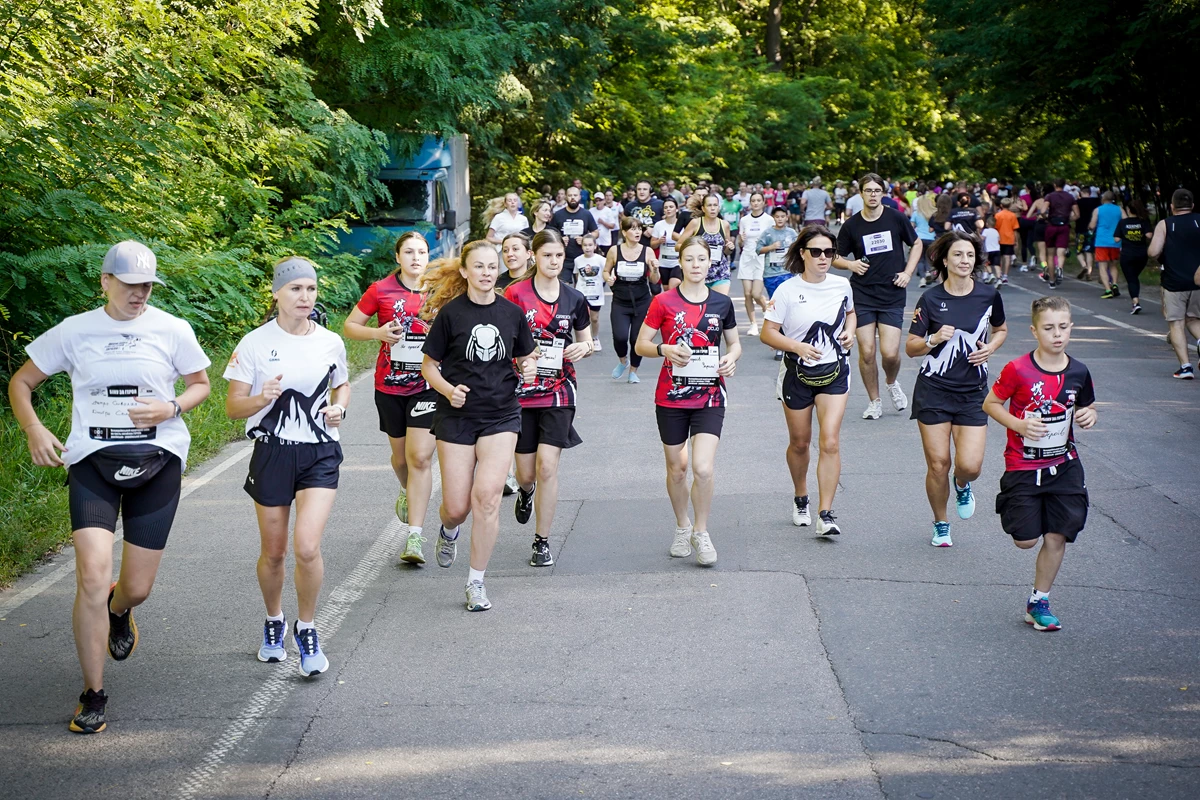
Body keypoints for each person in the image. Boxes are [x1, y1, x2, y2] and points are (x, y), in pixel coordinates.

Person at [9, 241, 211, 734]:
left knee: (135, 588)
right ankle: (93, 694)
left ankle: (120, 611)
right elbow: (21, 382)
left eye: (148, 286)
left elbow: (200, 384)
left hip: (157, 461)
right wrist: (34, 428)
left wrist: (172, 407)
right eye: (130, 284)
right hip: (92, 463)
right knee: (92, 578)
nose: (140, 294)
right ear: (105, 281)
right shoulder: (75, 330)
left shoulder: (172, 329)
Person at [225, 256, 351, 676]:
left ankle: (307, 628)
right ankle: (274, 620)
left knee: (307, 547)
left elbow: (341, 385)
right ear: (276, 292)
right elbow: (232, 407)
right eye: (295, 288)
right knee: (275, 553)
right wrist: (260, 399)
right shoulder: (254, 343)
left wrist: (339, 408)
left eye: (311, 289)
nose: (304, 296)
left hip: (319, 452)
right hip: (272, 453)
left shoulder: (330, 341)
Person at [418, 241, 539, 611]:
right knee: (457, 507)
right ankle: (448, 529)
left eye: (491, 266)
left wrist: (529, 368)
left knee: (486, 498)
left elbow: (527, 356)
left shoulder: (512, 313)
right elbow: (428, 367)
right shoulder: (451, 314)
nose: (487, 272)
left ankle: (476, 583)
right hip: (456, 416)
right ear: (465, 271)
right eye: (479, 266)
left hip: (501, 415)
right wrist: (448, 390)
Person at [983, 296, 1097, 631]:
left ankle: (1039, 602)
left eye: (1063, 327)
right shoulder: (1018, 369)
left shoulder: (1078, 371)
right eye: (1049, 328)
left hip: (1065, 465)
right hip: (1023, 465)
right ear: (1035, 331)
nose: (1057, 334)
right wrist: (1018, 425)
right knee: (1026, 540)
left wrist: (1090, 414)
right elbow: (991, 404)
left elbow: (1086, 405)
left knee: (1058, 535)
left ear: (1071, 327)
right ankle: (1026, 515)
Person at [634, 235, 741, 566]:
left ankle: (701, 530)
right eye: (690, 259)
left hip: (710, 395)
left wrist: (731, 358)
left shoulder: (722, 303)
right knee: (678, 468)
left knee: (703, 468)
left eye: (702, 259)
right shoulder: (663, 301)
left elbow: (734, 343)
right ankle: (682, 525)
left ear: (711, 263)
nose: (696, 265)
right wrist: (663, 348)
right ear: (680, 262)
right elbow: (640, 344)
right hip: (671, 397)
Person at [905, 231, 1007, 547]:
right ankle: (941, 523)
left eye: (970, 255)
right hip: (933, 390)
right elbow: (911, 347)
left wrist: (991, 348)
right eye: (958, 255)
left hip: (973, 392)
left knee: (970, 466)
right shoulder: (930, 299)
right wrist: (933, 339)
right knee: (938, 464)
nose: (965, 260)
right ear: (945, 261)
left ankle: (962, 483)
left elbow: (1001, 330)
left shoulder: (988, 295)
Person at [343, 232, 437, 565]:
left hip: (428, 384)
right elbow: (350, 326)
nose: (416, 258)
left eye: (421, 252)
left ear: (428, 256)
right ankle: (407, 489)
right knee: (401, 459)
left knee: (420, 458)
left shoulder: (440, 290)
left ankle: (415, 536)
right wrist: (377, 333)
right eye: (409, 252)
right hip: (390, 385)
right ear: (398, 257)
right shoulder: (380, 290)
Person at [505, 229, 594, 566]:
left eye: (558, 256)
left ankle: (541, 541)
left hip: (559, 390)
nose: (553, 261)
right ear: (534, 256)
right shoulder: (515, 294)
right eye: (547, 255)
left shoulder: (574, 298)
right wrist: (521, 359)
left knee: (547, 467)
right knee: (527, 474)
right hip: (521, 391)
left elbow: (586, 340)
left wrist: (584, 347)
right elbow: (501, 339)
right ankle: (525, 492)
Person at [760, 226, 855, 535]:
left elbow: (850, 313)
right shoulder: (786, 290)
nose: (823, 257)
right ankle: (801, 497)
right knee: (800, 443)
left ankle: (826, 514)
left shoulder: (842, 285)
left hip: (834, 371)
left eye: (829, 252)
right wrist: (797, 346)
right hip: (796, 373)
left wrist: (849, 332)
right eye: (816, 252)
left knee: (830, 441)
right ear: (803, 254)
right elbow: (767, 333)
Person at [833, 172, 922, 419]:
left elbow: (916, 244)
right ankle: (874, 401)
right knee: (867, 351)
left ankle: (891, 382)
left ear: (883, 193)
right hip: (862, 294)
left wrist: (908, 272)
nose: (872, 195)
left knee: (890, 353)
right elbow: (835, 256)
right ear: (861, 193)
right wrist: (850, 265)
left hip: (892, 293)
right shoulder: (852, 225)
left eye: (877, 190)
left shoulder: (895, 217)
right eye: (868, 190)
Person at [1148, 188, 1200, 379]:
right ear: (1192, 205)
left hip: (1174, 281)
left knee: (1176, 323)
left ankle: (1185, 367)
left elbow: (1153, 252)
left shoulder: (1166, 224)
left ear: (1172, 206)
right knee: (1193, 319)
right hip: (1198, 280)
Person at [604, 216, 660, 383]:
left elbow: (655, 280)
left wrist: (655, 269)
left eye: (639, 229)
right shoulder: (615, 251)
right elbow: (606, 271)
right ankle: (623, 361)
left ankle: (633, 371)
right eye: (633, 229)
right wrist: (608, 278)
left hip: (641, 300)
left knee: (636, 339)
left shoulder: (647, 251)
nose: (638, 232)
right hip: (620, 300)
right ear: (624, 232)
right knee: (620, 337)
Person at [682, 192, 735, 295]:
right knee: (701, 304)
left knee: (720, 303)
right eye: (709, 205)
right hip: (699, 273)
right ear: (703, 208)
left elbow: (726, 252)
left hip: (720, 273)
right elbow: (678, 246)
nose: (712, 208)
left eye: (715, 205)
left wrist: (730, 248)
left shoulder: (724, 225)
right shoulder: (696, 223)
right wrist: (694, 249)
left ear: (719, 208)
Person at [736, 191, 772, 334]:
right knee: (747, 293)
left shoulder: (769, 220)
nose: (756, 203)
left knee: (756, 294)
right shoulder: (744, 220)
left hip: (762, 258)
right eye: (753, 201)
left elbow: (774, 239)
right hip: (747, 257)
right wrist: (741, 239)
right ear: (750, 203)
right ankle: (753, 324)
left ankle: (765, 308)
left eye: (758, 200)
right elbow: (740, 242)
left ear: (763, 202)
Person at [549, 186, 598, 283]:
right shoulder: (558, 214)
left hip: (582, 257)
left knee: (581, 287)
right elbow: (550, 234)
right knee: (563, 286)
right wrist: (559, 239)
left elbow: (596, 232)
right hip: (563, 258)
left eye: (575, 195)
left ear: (579, 197)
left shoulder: (586, 214)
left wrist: (585, 239)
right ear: (566, 197)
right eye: (570, 195)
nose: (572, 198)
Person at [1114, 198, 1152, 315]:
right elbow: (1149, 235)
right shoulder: (1143, 221)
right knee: (1134, 277)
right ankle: (1135, 301)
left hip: (1127, 255)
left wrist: (1127, 234)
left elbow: (1116, 239)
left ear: (1128, 209)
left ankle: (1136, 303)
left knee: (1131, 279)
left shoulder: (1122, 223)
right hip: (1142, 254)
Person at [1042, 179, 1078, 288]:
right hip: (1064, 226)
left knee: (1050, 254)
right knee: (1061, 251)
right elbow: (1077, 214)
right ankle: (1060, 267)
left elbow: (1043, 211)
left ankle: (1052, 280)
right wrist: (1068, 219)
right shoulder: (1070, 197)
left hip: (1052, 225)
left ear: (1054, 185)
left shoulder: (1050, 196)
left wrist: (1046, 218)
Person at [574, 234, 607, 348]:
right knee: (582, 318)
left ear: (595, 246)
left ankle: (595, 337)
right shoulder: (578, 260)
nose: (587, 248)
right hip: (582, 293)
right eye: (585, 245)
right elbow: (577, 276)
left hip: (596, 293)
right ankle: (583, 340)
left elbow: (607, 273)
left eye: (590, 245)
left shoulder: (601, 260)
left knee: (594, 318)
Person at [1092, 191, 1124, 299]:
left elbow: (1092, 225)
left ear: (1103, 198)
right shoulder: (1119, 209)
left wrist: (1090, 227)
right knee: (1113, 265)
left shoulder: (1098, 210)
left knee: (1102, 266)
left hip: (1102, 241)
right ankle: (1115, 283)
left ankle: (1108, 290)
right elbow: (1126, 221)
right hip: (1116, 241)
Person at [652, 197, 687, 290]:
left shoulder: (683, 224)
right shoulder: (659, 225)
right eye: (666, 207)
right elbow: (652, 244)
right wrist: (659, 241)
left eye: (671, 207)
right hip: (663, 262)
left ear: (676, 209)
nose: (668, 209)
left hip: (678, 262)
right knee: (667, 289)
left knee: (673, 284)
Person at [624, 180, 664, 249]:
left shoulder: (660, 204)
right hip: (634, 246)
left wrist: (655, 231)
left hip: (657, 246)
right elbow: (624, 226)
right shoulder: (629, 206)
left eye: (645, 189)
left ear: (650, 191)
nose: (641, 192)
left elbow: (669, 224)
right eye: (639, 189)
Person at [911, 192, 938, 287]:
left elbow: (911, 226)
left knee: (920, 259)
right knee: (928, 258)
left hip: (919, 238)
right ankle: (928, 272)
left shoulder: (916, 214)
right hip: (931, 238)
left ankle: (922, 278)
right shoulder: (933, 214)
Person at [1074, 186, 1100, 282]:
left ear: (1081, 193)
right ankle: (1089, 272)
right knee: (1089, 251)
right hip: (1091, 230)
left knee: (1078, 250)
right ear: (1089, 193)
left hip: (1080, 229)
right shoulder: (1096, 202)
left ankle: (1084, 266)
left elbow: (1075, 215)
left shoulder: (1077, 202)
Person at [994, 197, 1019, 285]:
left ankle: (999, 273)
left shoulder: (998, 215)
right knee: (1007, 257)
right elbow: (1015, 229)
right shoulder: (1013, 215)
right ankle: (1005, 275)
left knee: (1000, 257)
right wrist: (1016, 240)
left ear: (1001, 205)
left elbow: (995, 227)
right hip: (1009, 238)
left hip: (999, 238)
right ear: (1010, 205)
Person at [981, 216, 1002, 284]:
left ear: (987, 224)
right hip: (997, 250)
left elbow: (982, 238)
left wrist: (978, 235)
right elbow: (998, 239)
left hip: (988, 250)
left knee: (986, 263)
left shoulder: (986, 231)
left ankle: (991, 274)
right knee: (996, 265)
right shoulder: (996, 231)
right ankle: (999, 278)